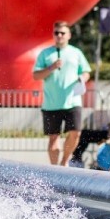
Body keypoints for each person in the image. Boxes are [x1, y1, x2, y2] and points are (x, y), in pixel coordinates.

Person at [32, 21, 92, 166]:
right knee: (54, 138)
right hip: (52, 103)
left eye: (62, 33)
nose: (59, 35)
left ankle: (64, 163)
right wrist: (51, 67)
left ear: (69, 35)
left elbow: (86, 72)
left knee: (75, 133)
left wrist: (82, 78)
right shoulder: (45, 53)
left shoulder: (76, 52)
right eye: (56, 33)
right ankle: (54, 169)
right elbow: (36, 75)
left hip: (73, 101)